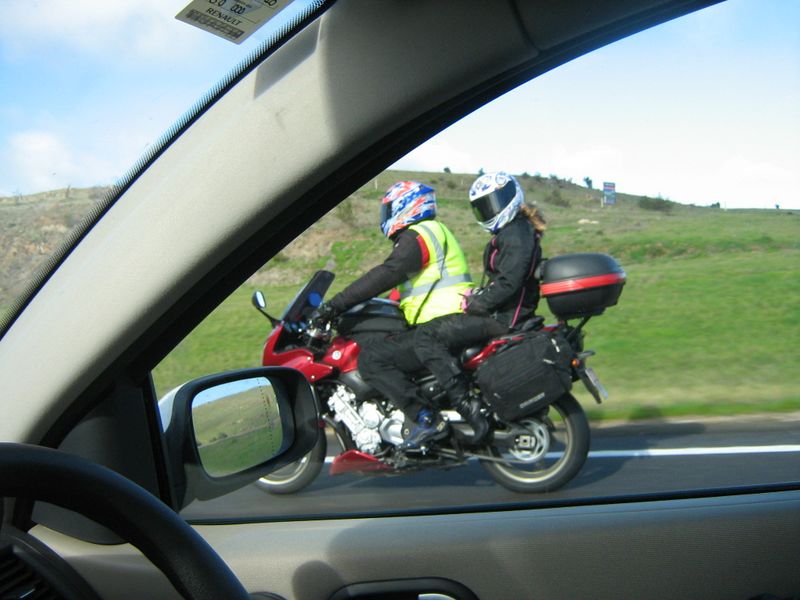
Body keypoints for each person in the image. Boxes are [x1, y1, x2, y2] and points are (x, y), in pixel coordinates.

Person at [312, 180, 472, 449]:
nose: (385, 217)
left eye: (389, 210)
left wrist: (335, 305)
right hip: (447, 320)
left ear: (407, 206)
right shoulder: (432, 232)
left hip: (441, 323)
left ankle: (425, 418)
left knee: (372, 360)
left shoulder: (418, 235)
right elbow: (402, 289)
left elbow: (388, 273)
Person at [414, 171, 546, 442]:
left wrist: (477, 302)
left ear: (512, 197)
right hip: (503, 313)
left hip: (503, 319)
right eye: (484, 206)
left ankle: (466, 405)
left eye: (495, 203)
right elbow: (506, 279)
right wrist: (479, 295)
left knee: (426, 336)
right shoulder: (515, 230)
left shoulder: (516, 234)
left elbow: (509, 282)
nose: (491, 210)